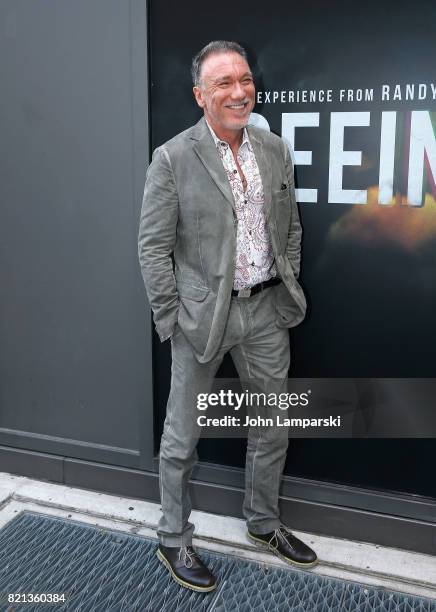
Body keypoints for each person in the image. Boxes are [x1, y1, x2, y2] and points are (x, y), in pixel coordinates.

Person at [138, 40, 317, 592]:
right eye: (223, 83)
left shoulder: (273, 149)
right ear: (200, 95)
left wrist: (285, 275)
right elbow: (152, 248)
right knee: (182, 435)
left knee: (272, 426)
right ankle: (173, 537)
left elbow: (289, 224)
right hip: (203, 321)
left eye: (244, 79)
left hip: (266, 311)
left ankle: (263, 523)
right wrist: (173, 319)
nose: (239, 92)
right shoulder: (172, 158)